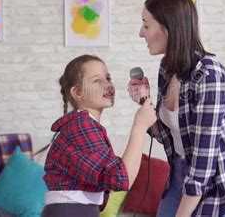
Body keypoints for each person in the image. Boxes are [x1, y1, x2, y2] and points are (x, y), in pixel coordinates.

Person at [128, 0, 225, 217]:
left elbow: (204, 162)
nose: (140, 33)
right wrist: (144, 102)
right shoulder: (167, 68)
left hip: (217, 185)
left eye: (146, 25)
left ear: (168, 29)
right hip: (179, 177)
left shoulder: (209, 76)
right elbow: (167, 136)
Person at [42, 54, 157, 217]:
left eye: (108, 78)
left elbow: (108, 177)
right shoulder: (81, 126)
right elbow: (121, 178)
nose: (108, 84)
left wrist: (144, 102)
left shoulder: (85, 125)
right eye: (97, 81)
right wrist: (139, 126)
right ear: (78, 92)